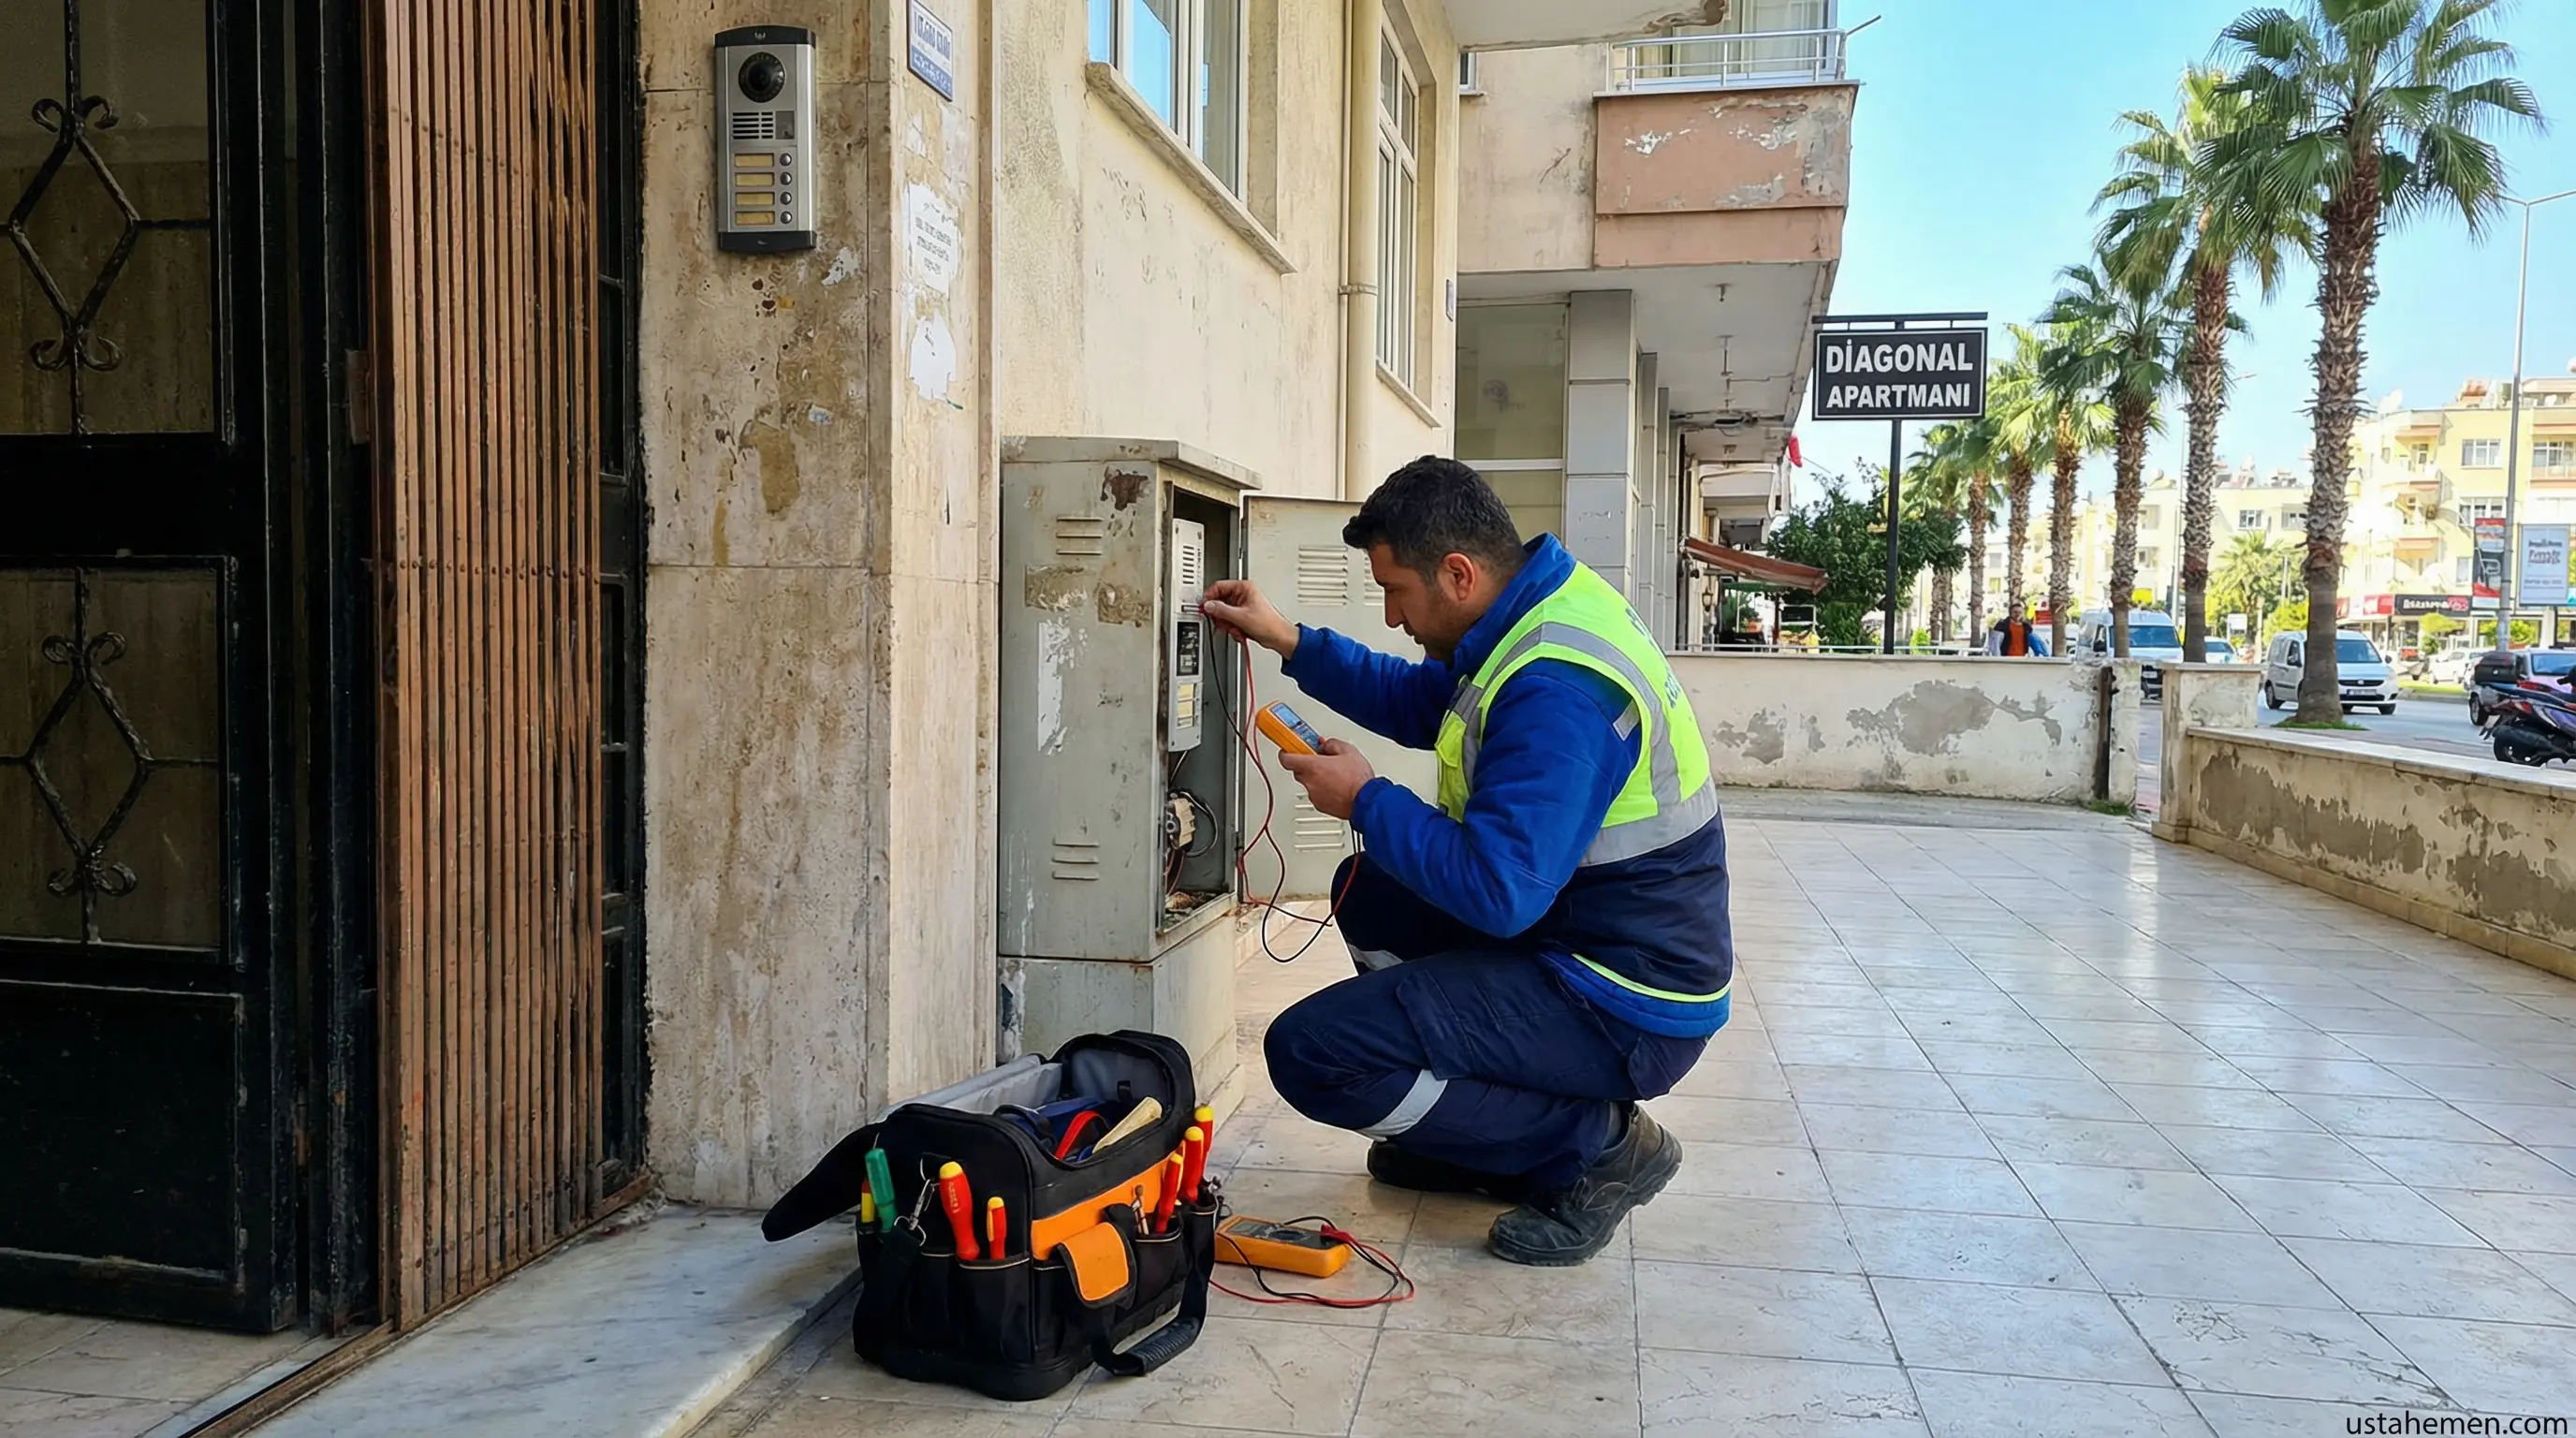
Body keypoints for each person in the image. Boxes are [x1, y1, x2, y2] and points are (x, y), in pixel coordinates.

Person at [1201, 457, 1733, 1267]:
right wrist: (1290, 640)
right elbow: (1419, 700)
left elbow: (1499, 892)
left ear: (1457, 573)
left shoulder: (1559, 685)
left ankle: (1599, 1146)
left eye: (1396, 592)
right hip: (1578, 933)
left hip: (1624, 996)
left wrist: (1368, 801)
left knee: (1314, 1055)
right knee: (1371, 889)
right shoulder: (1529, 615)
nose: (1391, 616)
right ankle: (1469, 1134)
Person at [1983, 603, 2048, 657]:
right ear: (2010, 613)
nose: (2018, 614)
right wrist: (1998, 659)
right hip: (2006, 659)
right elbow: (1995, 644)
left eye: (2020, 612)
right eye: (2015, 612)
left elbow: (2036, 642)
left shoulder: (2026, 627)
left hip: (2022, 659)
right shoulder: (2002, 625)